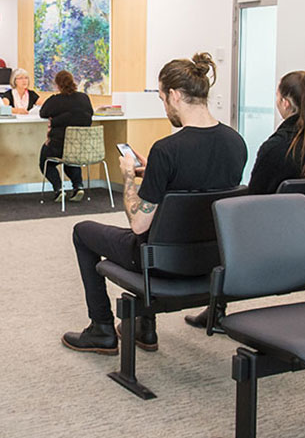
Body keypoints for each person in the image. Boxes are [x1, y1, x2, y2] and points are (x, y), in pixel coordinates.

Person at [61, 53, 247, 354]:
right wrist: (155, 175)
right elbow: (201, 188)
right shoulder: (236, 142)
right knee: (158, 232)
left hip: (163, 262)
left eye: (162, 99)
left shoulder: (167, 150)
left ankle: (101, 328)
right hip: (214, 258)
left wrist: (129, 178)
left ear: (175, 95)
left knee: (83, 231)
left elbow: (138, 224)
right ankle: (143, 326)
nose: (164, 107)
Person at [185, 68, 305, 328]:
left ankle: (217, 307)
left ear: (285, 102)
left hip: (277, 244)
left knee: (222, 217)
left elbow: (254, 201)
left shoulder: (276, 147)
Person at [37, 70, 93, 202]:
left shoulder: (55, 100)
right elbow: (90, 112)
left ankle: (58, 189)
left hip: (57, 145)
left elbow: (43, 113)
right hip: (80, 146)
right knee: (71, 159)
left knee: (45, 162)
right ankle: (78, 186)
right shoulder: (84, 98)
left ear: (57, 85)